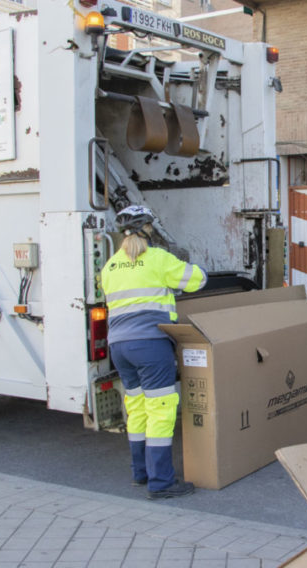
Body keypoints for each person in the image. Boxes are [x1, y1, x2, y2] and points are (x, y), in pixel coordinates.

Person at [100, 205, 207, 499]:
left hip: (118, 347)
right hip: (149, 343)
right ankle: (162, 483)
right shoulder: (158, 258)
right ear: (148, 228)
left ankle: (141, 473)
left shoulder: (110, 266)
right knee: (160, 410)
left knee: (136, 409)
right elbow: (197, 280)